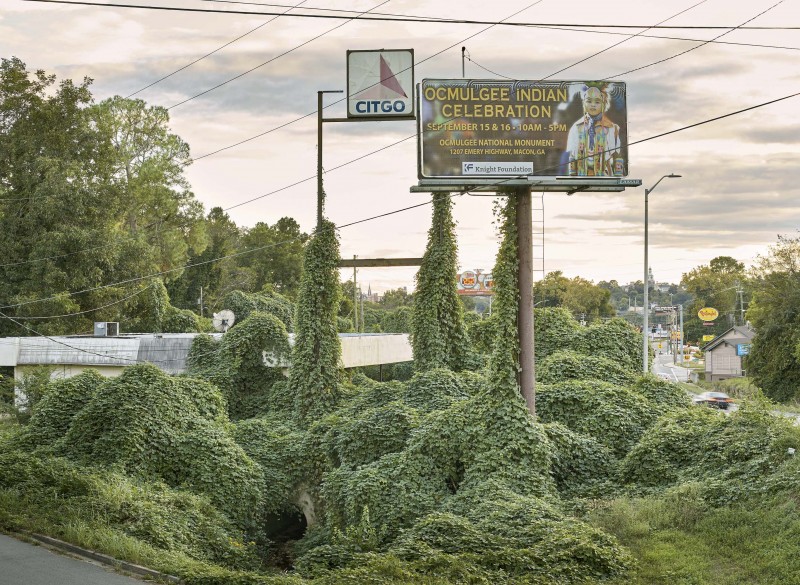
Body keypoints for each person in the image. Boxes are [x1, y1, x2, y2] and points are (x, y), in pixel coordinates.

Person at [566, 84, 623, 177]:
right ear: (584, 103)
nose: (593, 105)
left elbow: (617, 154)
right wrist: (573, 178)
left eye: (597, 102)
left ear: (603, 105)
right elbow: (572, 156)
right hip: (581, 178)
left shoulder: (612, 128)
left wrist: (618, 178)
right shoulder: (576, 128)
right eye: (589, 101)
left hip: (605, 177)